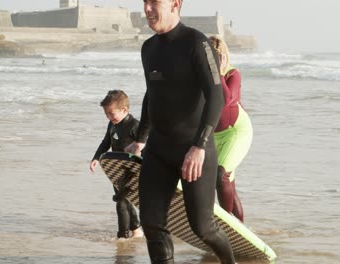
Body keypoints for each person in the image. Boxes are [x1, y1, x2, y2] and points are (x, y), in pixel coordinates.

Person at [125, 0, 236, 263]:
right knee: (152, 224)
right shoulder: (148, 48)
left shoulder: (196, 43)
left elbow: (216, 97)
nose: (148, 9)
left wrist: (199, 146)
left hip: (194, 149)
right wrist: (140, 139)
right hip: (158, 151)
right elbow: (151, 96)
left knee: (203, 227)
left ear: (175, 4)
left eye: (154, 2)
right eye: (145, 2)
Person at [90, 90, 145, 239]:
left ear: (124, 110)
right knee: (125, 200)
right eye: (106, 114)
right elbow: (106, 142)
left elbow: (146, 147)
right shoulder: (112, 124)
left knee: (121, 201)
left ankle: (122, 236)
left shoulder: (135, 126)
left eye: (111, 113)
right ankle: (137, 229)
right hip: (117, 169)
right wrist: (96, 158)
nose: (108, 117)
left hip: (132, 169)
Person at [209, 35, 253, 223]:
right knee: (228, 183)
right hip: (215, 135)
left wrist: (218, 71)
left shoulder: (232, 74)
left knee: (221, 175)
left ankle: (225, 224)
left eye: (215, 55)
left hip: (236, 132)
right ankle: (241, 228)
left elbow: (226, 100)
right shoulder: (202, 77)